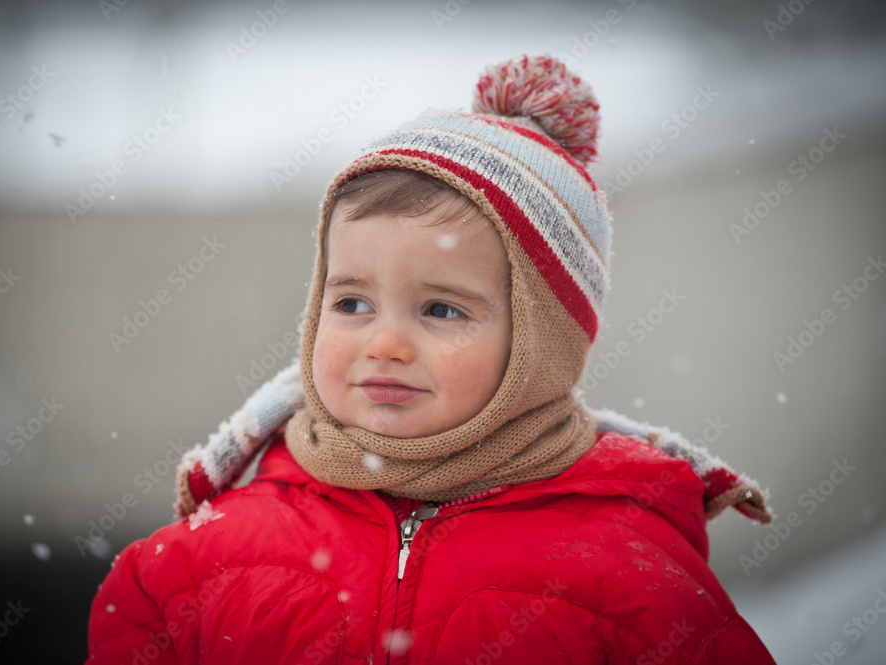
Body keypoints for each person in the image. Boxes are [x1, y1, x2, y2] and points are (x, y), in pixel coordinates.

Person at [86, 54, 777, 664]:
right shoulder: (200, 562)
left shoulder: (631, 574)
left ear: (542, 347)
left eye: (442, 310)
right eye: (352, 303)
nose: (384, 344)